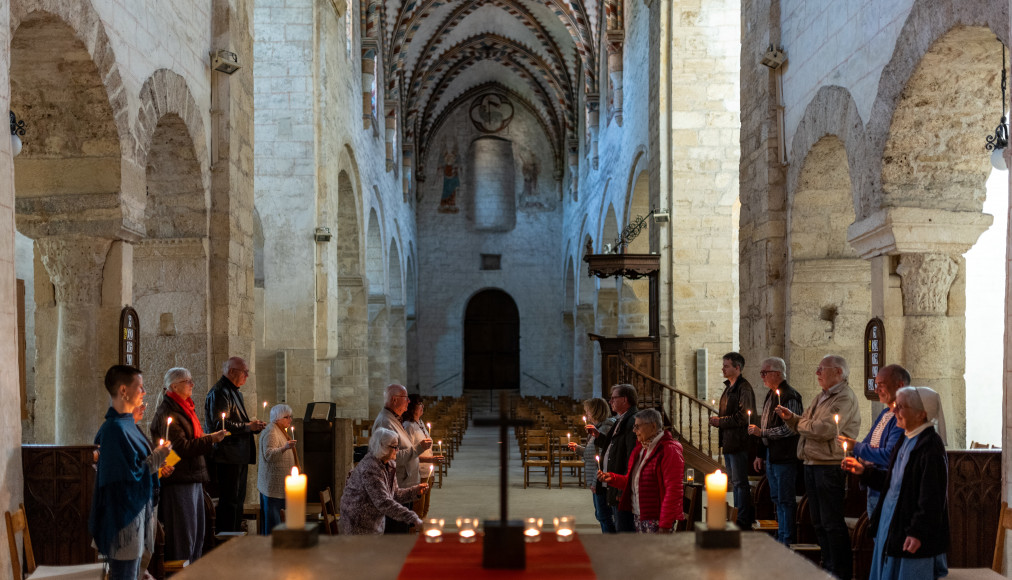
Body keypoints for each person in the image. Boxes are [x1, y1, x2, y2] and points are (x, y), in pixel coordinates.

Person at [842, 387, 949, 580]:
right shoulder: (906, 439)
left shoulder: (930, 447)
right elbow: (893, 483)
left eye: (901, 407)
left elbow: (932, 498)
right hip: (892, 523)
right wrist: (864, 472)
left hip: (912, 532)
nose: (894, 412)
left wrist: (918, 532)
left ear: (921, 414)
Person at [777, 354, 861, 580]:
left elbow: (824, 429)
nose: (817, 373)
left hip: (830, 466)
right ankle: (827, 568)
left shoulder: (844, 398)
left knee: (832, 523)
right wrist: (792, 418)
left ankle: (839, 572)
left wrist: (803, 423)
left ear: (839, 373)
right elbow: (808, 424)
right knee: (818, 522)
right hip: (812, 463)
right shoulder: (821, 397)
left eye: (822, 369)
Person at [89, 365, 171, 580]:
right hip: (124, 521)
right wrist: (159, 456)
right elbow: (125, 478)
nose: (144, 392)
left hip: (138, 514)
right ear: (124, 390)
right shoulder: (114, 429)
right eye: (140, 387)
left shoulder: (128, 425)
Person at [150, 367, 227, 561]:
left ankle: (193, 570)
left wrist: (208, 438)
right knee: (184, 535)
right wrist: (211, 440)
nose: (192, 384)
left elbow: (192, 439)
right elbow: (181, 447)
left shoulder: (184, 408)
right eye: (188, 381)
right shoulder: (169, 411)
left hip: (191, 476)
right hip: (178, 478)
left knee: (197, 532)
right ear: (174, 386)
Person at [204, 356, 266, 532]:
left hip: (237, 455)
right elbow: (220, 425)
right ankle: (228, 539)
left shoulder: (234, 391)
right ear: (231, 371)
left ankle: (235, 533)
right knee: (230, 502)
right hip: (227, 456)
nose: (247, 375)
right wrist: (248, 426)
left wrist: (253, 427)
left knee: (238, 501)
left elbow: (236, 423)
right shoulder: (220, 392)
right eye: (244, 371)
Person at [838, 364, 908, 516]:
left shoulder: (902, 418)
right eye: (876, 385)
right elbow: (867, 443)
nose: (876, 390)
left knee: (884, 535)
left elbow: (889, 455)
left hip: (886, 485)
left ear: (900, 385)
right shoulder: (885, 413)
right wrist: (858, 457)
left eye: (881, 385)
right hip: (873, 483)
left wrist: (855, 447)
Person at [598, 409, 684, 533]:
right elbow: (634, 481)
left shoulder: (669, 450)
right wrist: (612, 478)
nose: (634, 431)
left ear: (653, 426)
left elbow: (673, 490)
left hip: (657, 518)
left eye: (637, 426)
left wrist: (665, 524)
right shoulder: (641, 450)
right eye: (634, 426)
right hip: (639, 515)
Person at [747, 356, 802, 545]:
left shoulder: (790, 396)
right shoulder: (771, 394)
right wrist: (760, 454)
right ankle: (780, 536)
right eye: (761, 372)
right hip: (772, 456)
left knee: (785, 500)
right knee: (776, 498)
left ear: (777, 373)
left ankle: (787, 539)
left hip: (785, 457)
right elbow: (765, 423)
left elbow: (789, 429)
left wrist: (762, 433)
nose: (762, 376)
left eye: (765, 372)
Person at [339, 427, 428, 535]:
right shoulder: (370, 469)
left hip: (374, 525)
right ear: (383, 447)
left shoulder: (389, 464)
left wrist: (415, 491)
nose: (398, 450)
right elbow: (383, 502)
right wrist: (412, 518)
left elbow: (394, 494)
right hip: (358, 525)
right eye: (395, 447)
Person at [372, 384, 431, 533]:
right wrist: (418, 449)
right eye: (406, 398)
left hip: (404, 486)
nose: (409, 402)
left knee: (403, 530)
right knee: (396, 533)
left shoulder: (393, 419)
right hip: (396, 489)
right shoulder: (386, 422)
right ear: (394, 399)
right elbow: (390, 457)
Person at [708, 351, 756, 528]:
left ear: (737, 367)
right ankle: (737, 515)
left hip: (739, 442)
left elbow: (743, 417)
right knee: (735, 482)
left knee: (740, 483)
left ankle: (742, 519)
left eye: (726, 365)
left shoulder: (744, 388)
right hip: (730, 441)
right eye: (723, 365)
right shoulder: (730, 387)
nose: (723, 368)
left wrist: (720, 421)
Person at [592, 384, 639, 532]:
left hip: (620, 484)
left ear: (625, 400)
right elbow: (615, 446)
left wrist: (621, 489)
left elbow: (631, 456)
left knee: (623, 529)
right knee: (614, 522)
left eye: (613, 398)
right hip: (614, 481)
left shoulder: (632, 421)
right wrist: (599, 437)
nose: (610, 401)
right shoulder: (621, 419)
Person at [569, 397, 617, 532]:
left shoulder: (605, 429)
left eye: (588, 411)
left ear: (595, 411)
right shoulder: (597, 428)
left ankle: (611, 546)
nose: (586, 414)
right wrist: (578, 448)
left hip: (601, 481)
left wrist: (596, 482)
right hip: (597, 480)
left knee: (605, 516)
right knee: (601, 516)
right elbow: (592, 454)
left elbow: (602, 459)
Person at [257, 404, 297, 534]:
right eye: (286, 417)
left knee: (278, 522)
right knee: (273, 526)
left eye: (290, 417)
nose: (290, 420)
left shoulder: (280, 430)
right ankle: (271, 549)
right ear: (277, 418)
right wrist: (285, 447)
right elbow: (269, 455)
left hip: (278, 486)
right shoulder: (271, 431)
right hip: (272, 487)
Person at [401, 394, 441, 481]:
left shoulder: (420, 422)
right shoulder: (408, 426)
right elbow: (407, 454)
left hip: (427, 470)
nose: (422, 406)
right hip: (417, 473)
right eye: (419, 404)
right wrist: (430, 459)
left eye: (422, 403)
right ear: (411, 407)